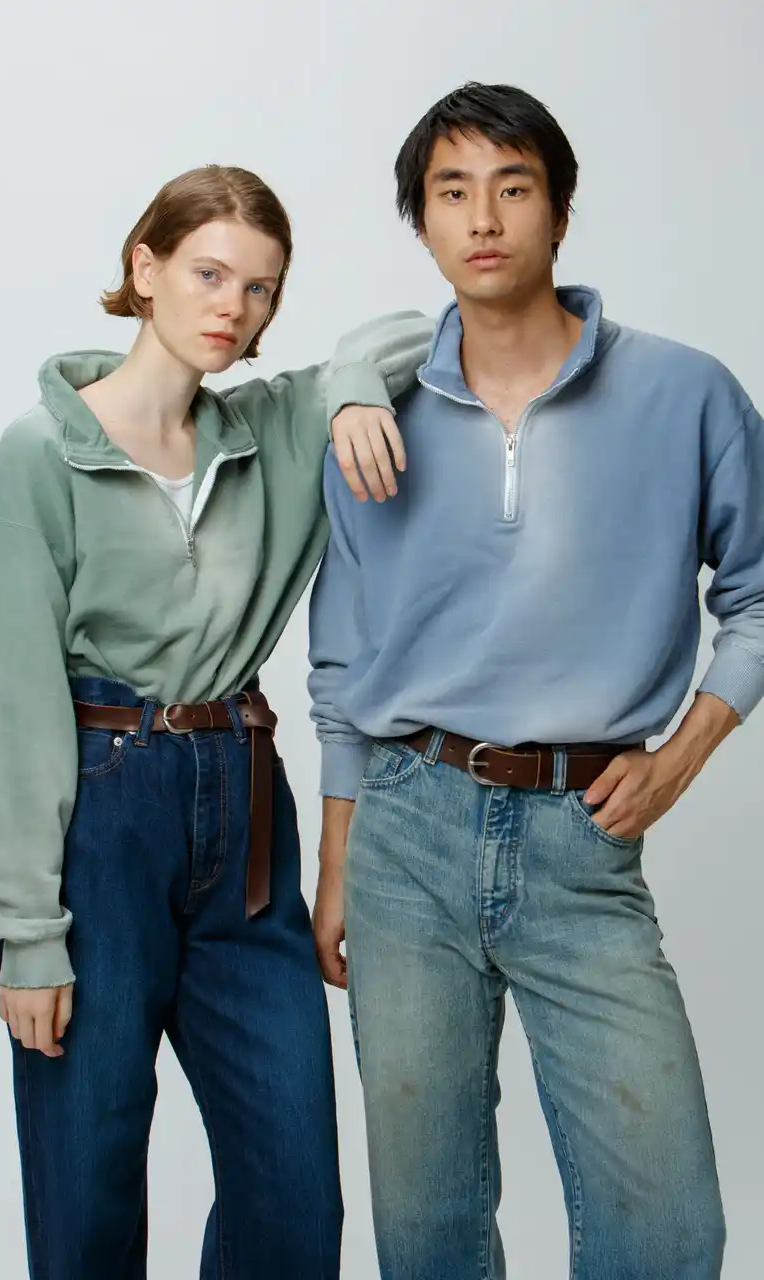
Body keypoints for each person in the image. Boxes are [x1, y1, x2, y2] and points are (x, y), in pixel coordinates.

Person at [309, 82, 764, 1279]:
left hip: (581, 836)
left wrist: (680, 755)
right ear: (420, 222)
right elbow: (342, 657)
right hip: (403, 830)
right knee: (428, 1233)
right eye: (451, 192)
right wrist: (337, 856)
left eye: (513, 187)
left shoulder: (686, 393)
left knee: (665, 1232)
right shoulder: (372, 417)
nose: (483, 218)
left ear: (559, 211)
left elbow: (758, 594)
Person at [0, 164, 431, 1280]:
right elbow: (9, 697)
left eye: (260, 288)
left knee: (293, 1192)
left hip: (245, 808)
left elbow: (426, 331)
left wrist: (354, 383)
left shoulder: (272, 429)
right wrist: (26, 931)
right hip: (100, 810)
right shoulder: (43, 453)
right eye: (208, 274)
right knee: (88, 1184)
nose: (232, 308)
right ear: (145, 266)